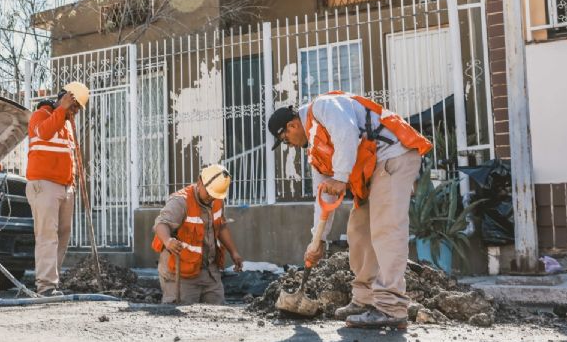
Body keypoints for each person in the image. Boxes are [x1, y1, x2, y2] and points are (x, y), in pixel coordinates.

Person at [267, 91, 431, 328]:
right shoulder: (315, 151)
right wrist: (318, 240)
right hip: (371, 169)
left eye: (284, 139)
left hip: (392, 155)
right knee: (359, 231)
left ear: (292, 125)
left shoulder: (323, 107)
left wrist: (341, 177)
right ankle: (364, 300)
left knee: (386, 228)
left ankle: (391, 307)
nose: (288, 145)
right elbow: (323, 196)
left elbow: (347, 132)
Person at [25, 82, 89, 297]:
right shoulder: (41, 115)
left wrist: (76, 180)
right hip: (44, 185)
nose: (76, 112)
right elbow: (43, 133)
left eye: (77, 108)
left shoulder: (68, 124)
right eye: (74, 106)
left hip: (65, 187)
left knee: (62, 235)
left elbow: (70, 155)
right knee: (47, 236)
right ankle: (45, 286)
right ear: (63, 99)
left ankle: (53, 282)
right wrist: (62, 109)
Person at [152, 164, 245, 305]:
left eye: (215, 196)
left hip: (209, 272)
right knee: (179, 320)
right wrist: (168, 240)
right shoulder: (180, 201)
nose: (211, 199)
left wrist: (234, 253)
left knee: (218, 315)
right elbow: (161, 224)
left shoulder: (217, 199)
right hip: (181, 273)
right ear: (200, 181)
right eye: (209, 193)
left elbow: (220, 226)